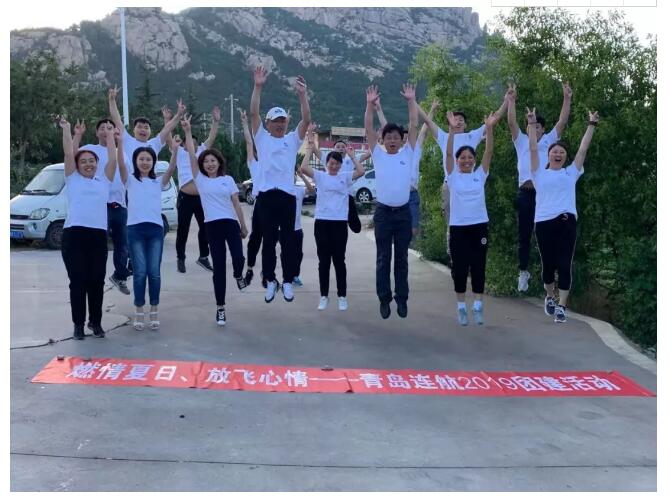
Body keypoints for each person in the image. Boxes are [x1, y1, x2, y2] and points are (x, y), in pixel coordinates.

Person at [528, 107, 598, 323]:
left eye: (561, 152)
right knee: (548, 266)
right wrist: (531, 124)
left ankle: (562, 306)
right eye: (554, 152)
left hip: (567, 221)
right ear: (548, 155)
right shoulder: (538, 173)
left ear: (565, 156)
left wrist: (592, 124)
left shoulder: (571, 172)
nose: (558, 154)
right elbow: (532, 148)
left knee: (565, 264)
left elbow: (583, 149)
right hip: (543, 223)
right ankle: (550, 296)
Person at [249, 65, 310, 303]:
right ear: (268, 123)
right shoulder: (261, 138)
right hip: (266, 197)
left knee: (288, 241)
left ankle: (287, 281)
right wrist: (257, 87)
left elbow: (306, 120)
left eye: (283, 120)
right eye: (276, 121)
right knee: (268, 241)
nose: (280, 124)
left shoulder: (292, 140)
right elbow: (253, 114)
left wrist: (302, 95)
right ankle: (270, 280)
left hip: (286, 197)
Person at [182, 116, 249, 326]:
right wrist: (187, 131)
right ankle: (220, 308)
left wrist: (243, 225)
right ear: (202, 165)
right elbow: (191, 155)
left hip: (230, 224)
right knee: (219, 267)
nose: (210, 164)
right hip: (212, 227)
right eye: (206, 161)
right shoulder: (200, 180)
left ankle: (238, 275)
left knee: (239, 258)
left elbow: (236, 204)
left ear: (219, 162)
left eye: (213, 160)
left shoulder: (227, 180)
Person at [507, 82, 572, 292]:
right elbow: (511, 122)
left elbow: (562, 121)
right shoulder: (521, 141)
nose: (534, 129)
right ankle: (523, 271)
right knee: (524, 234)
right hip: (526, 193)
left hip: (546, 194)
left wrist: (567, 98)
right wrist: (511, 101)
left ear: (543, 129)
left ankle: (553, 272)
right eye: (531, 126)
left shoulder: (550, 142)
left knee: (550, 234)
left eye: (537, 126)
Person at [59, 117, 118, 340]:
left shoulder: (104, 181)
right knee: (78, 282)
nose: (88, 164)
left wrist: (110, 135)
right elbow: (68, 154)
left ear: (97, 163)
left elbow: (113, 158)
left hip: (97, 236)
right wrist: (70, 132)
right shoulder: (72, 179)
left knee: (96, 280)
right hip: (74, 235)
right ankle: (78, 325)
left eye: (91, 161)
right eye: (83, 161)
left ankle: (96, 322)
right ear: (77, 165)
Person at [364, 83, 418, 319]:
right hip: (384, 214)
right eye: (389, 137)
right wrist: (369, 105)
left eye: (396, 137)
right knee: (383, 258)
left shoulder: (408, 153)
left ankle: (402, 299)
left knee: (402, 259)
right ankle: (384, 299)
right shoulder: (378, 154)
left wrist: (411, 101)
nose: (393, 140)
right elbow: (368, 128)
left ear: (402, 140)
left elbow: (414, 124)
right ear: (383, 140)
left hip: (403, 213)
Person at [116, 133, 177, 331]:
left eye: (148, 159)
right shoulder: (129, 180)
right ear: (136, 161)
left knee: (154, 273)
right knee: (140, 272)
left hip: (155, 230)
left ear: (153, 162)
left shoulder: (158, 182)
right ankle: (139, 310)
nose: (145, 162)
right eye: (141, 159)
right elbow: (121, 165)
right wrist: (119, 143)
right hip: (135, 230)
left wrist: (175, 150)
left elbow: (171, 169)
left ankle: (154, 309)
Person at [301, 124, 365, 310]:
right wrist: (310, 147)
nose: (334, 165)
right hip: (322, 223)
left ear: (340, 164)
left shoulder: (345, 177)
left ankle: (342, 296)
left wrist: (352, 156)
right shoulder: (320, 176)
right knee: (324, 262)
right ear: (326, 163)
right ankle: (323, 296)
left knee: (339, 261)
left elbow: (361, 172)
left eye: (337, 163)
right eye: (331, 162)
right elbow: (304, 168)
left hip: (339, 224)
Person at [444, 111, 497, 326]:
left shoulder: (479, 175)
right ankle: (461, 307)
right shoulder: (452, 177)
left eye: (470, 158)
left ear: (474, 161)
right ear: (458, 162)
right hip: (458, 228)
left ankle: (477, 305)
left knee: (478, 266)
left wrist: (489, 128)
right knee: (459, 268)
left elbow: (489, 151)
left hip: (479, 227)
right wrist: (451, 130)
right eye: (463, 158)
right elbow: (448, 154)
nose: (466, 161)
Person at [73, 118, 132, 296]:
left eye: (110, 128)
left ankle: (119, 276)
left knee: (123, 244)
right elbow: (71, 157)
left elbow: (127, 176)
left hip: (120, 204)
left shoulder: (122, 153)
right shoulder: (89, 150)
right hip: (99, 205)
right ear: (97, 132)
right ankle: (93, 276)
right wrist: (77, 136)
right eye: (103, 128)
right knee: (98, 244)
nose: (107, 130)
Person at [172, 105, 221, 274]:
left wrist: (216, 121)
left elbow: (211, 137)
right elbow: (168, 138)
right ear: (183, 144)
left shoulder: (201, 151)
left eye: (194, 142)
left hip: (202, 197)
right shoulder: (179, 151)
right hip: (185, 197)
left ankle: (203, 257)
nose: (191, 144)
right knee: (183, 229)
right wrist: (169, 119)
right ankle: (180, 258)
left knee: (206, 227)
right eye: (188, 142)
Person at [409, 99, 439, 236]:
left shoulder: (415, 149)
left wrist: (432, 110)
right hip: (398, 195)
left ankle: (407, 245)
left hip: (412, 194)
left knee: (414, 229)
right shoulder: (394, 153)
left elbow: (423, 131)